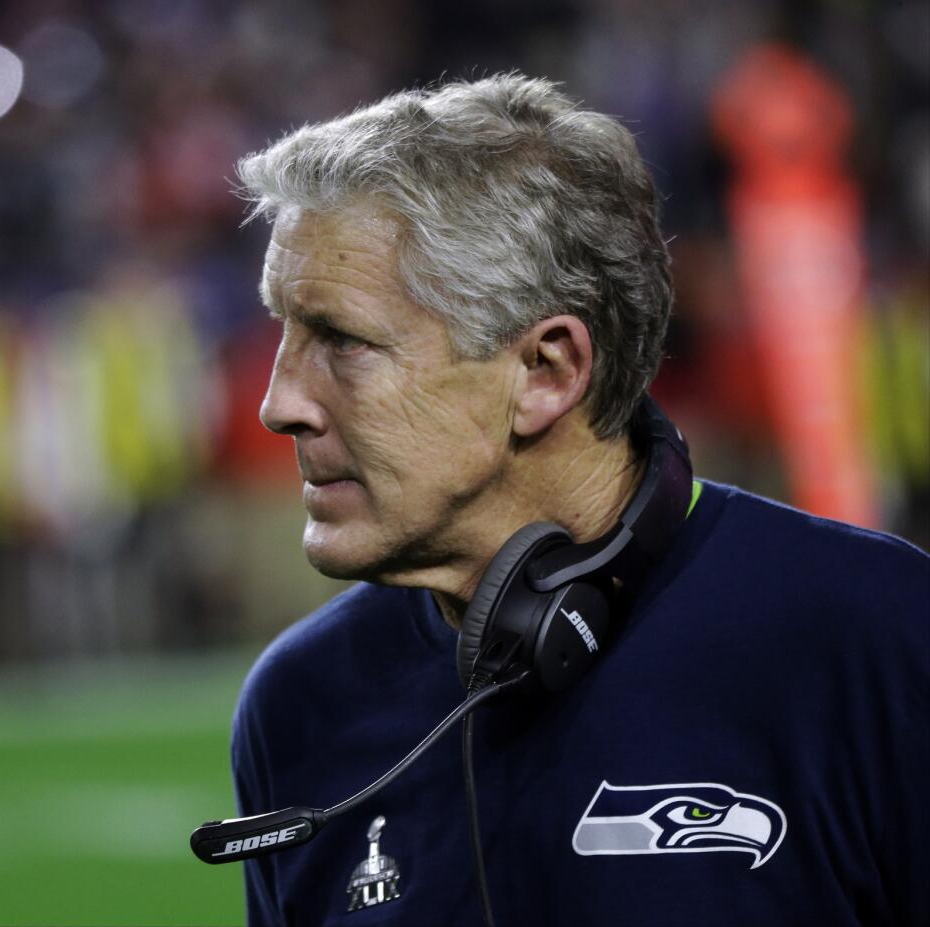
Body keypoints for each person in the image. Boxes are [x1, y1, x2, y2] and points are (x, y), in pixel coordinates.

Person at [225, 74, 929, 926]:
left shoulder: (879, 637)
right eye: (284, 332)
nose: (278, 402)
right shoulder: (299, 702)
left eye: (341, 340)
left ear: (547, 370)